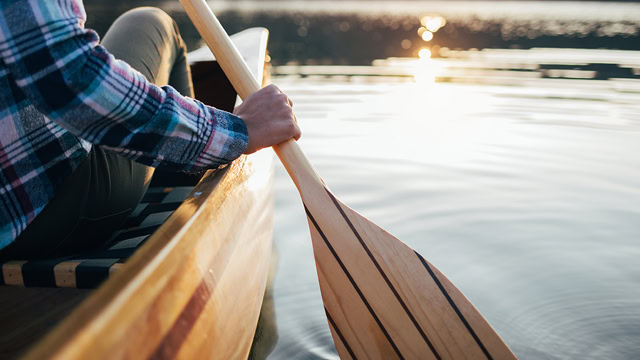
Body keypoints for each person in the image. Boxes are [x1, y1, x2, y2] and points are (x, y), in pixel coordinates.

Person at [0, 2, 300, 260]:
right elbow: (72, 80)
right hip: (41, 208)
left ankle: (182, 151)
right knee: (151, 23)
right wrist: (236, 131)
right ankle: (189, 168)